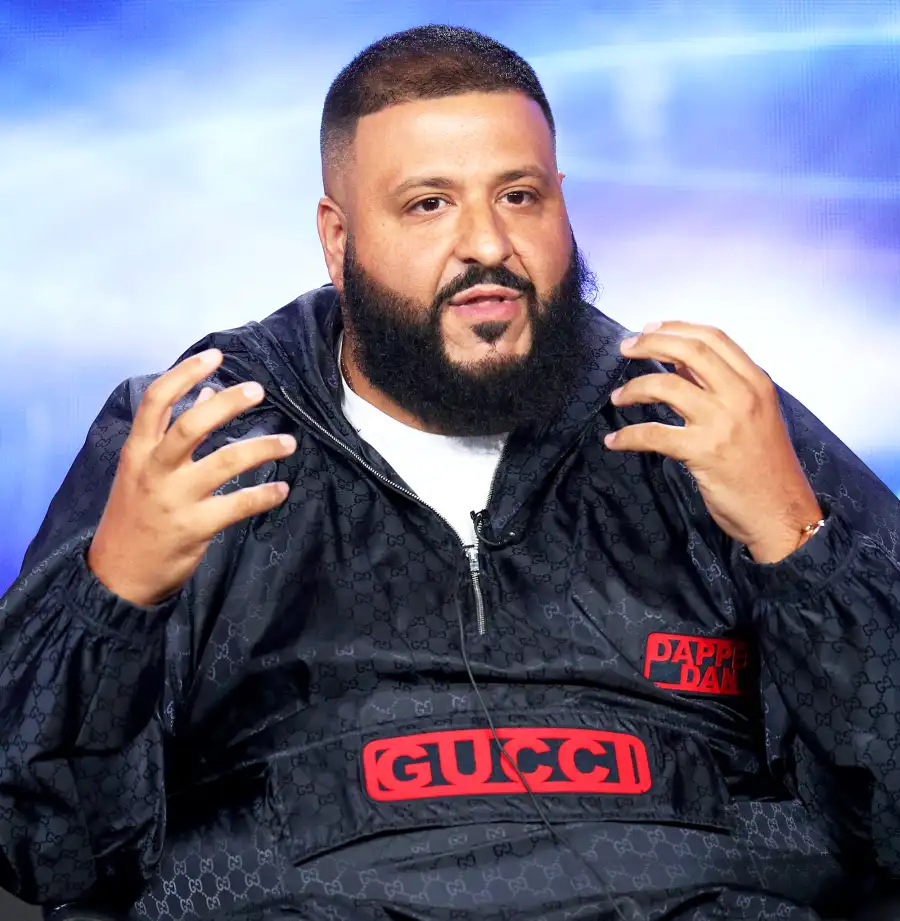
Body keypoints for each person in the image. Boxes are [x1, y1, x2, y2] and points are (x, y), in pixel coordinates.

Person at [1, 24, 899, 921]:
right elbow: (44, 848)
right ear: (336, 237)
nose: (488, 245)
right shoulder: (196, 434)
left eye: (519, 195)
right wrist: (112, 598)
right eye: (429, 204)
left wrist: (801, 549)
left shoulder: (703, 414)